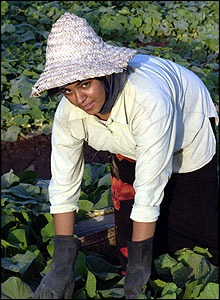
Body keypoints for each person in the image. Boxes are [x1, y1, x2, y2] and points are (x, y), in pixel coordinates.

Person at [30, 13, 218, 299]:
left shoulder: (147, 99)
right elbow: (64, 186)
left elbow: (149, 191)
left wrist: (138, 276)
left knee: (201, 241)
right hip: (130, 144)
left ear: (105, 73)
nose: (79, 99)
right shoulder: (69, 115)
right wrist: (62, 263)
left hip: (185, 137)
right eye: (67, 90)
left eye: (84, 84)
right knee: (128, 242)